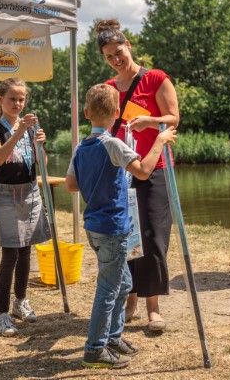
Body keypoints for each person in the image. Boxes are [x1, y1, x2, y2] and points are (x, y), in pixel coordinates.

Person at [66, 84, 177, 369]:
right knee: (108, 289)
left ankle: (113, 338)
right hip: (112, 227)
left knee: (124, 282)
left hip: (94, 226)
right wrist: (160, 140)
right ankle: (94, 349)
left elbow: (71, 185)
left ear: (87, 113)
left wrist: (97, 180)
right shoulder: (113, 144)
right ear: (117, 113)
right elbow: (144, 171)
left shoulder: (80, 148)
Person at [96, 19, 180, 332]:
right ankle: (129, 299)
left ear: (128, 46)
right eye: (109, 57)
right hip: (122, 172)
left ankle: (153, 307)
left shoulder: (155, 78)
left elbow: (174, 118)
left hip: (155, 168)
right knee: (127, 238)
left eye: (119, 52)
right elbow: (102, 126)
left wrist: (151, 121)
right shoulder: (107, 88)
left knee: (154, 238)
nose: (116, 59)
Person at [0, 77, 51, 337]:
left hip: (30, 192)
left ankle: (20, 301)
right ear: (0, 100)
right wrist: (20, 132)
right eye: (12, 99)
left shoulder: (30, 128)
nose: (17, 103)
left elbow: (41, 164)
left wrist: (40, 144)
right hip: (7, 195)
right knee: (10, 254)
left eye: (21, 99)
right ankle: (0, 313)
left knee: (25, 251)